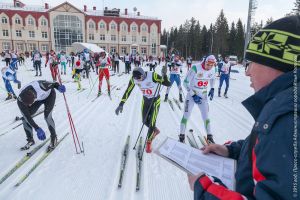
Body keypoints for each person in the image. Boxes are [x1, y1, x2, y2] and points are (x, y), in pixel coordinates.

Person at [188, 16, 300, 200]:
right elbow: (264, 148)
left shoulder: (288, 119)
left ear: (276, 63)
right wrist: (233, 151)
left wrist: (205, 190)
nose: (247, 71)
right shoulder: (283, 107)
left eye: (251, 62)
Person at [115, 67, 171, 153]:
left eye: (140, 78)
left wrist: (165, 75)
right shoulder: (134, 79)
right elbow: (128, 91)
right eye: (137, 79)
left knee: (152, 122)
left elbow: (167, 84)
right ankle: (154, 130)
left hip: (155, 101)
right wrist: (121, 104)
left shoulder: (152, 76)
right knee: (144, 121)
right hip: (145, 101)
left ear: (143, 75)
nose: (139, 81)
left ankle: (149, 142)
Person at [17, 80, 66, 151]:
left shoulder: (42, 85)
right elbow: (27, 116)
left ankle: (53, 137)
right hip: (38, 99)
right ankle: (30, 140)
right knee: (25, 118)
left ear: (34, 97)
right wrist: (37, 128)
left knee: (47, 117)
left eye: (30, 104)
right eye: (28, 105)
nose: (30, 105)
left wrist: (59, 87)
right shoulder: (20, 101)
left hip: (49, 96)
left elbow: (54, 84)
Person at [179, 55, 216, 144]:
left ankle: (210, 136)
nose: (209, 67)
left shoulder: (213, 69)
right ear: (205, 62)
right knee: (186, 115)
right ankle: (181, 136)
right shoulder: (196, 68)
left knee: (206, 116)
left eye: (212, 65)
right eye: (208, 65)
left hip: (203, 96)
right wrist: (193, 95)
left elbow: (213, 78)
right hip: (192, 95)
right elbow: (185, 83)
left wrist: (212, 88)